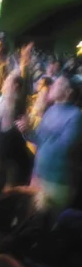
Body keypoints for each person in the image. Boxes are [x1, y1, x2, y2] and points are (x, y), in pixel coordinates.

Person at [17, 74, 82, 215]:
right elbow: (38, 140)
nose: (51, 86)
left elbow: (64, 148)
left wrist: (44, 137)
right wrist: (27, 131)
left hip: (57, 183)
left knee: (47, 225)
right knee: (31, 220)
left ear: (68, 92)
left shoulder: (76, 115)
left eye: (57, 84)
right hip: (38, 175)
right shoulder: (50, 110)